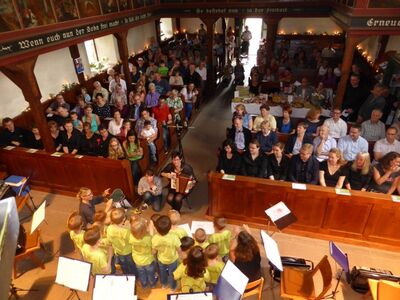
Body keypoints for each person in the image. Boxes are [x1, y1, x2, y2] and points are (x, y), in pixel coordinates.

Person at [152, 215, 181, 290]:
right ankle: (172, 287)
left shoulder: (155, 238)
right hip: (172, 259)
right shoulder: (174, 237)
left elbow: (154, 251)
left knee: (162, 272)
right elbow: (179, 249)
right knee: (172, 273)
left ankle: (164, 284)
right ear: (171, 227)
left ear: (157, 229)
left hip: (161, 259)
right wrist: (180, 255)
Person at [106, 208, 137, 275]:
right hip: (128, 251)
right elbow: (132, 241)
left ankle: (126, 273)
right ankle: (135, 276)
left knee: (123, 265)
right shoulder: (126, 231)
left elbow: (109, 242)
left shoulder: (109, 229)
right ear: (123, 219)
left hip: (118, 252)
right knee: (132, 265)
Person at [130, 217, 158, 288]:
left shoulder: (131, 237)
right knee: (151, 273)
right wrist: (151, 231)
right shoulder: (149, 238)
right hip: (148, 260)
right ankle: (152, 284)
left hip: (137, 260)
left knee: (141, 273)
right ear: (145, 230)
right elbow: (154, 250)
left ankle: (144, 284)